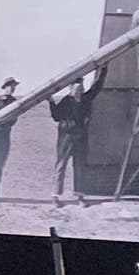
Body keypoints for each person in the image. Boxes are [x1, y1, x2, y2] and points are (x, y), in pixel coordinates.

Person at [49, 74, 96, 202]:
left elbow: (96, 88)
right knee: (60, 166)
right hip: (66, 140)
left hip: (80, 140)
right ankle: (55, 196)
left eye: (81, 89)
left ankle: (80, 196)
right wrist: (51, 101)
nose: (79, 91)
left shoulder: (86, 99)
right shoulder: (66, 101)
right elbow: (56, 116)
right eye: (77, 89)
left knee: (80, 166)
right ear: (70, 89)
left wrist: (103, 70)